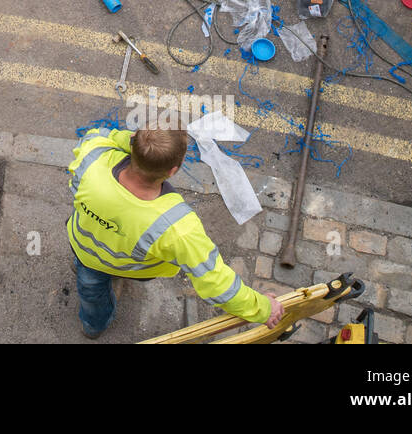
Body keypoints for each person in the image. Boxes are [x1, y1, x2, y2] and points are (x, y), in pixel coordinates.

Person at [67, 124, 284, 337]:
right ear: (173, 170)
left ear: (133, 146)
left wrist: (131, 143)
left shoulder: (92, 158)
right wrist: (263, 309)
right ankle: (108, 292)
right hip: (132, 267)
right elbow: (216, 281)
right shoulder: (177, 226)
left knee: (91, 293)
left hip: (84, 250)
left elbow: (98, 134)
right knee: (103, 278)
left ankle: (93, 328)